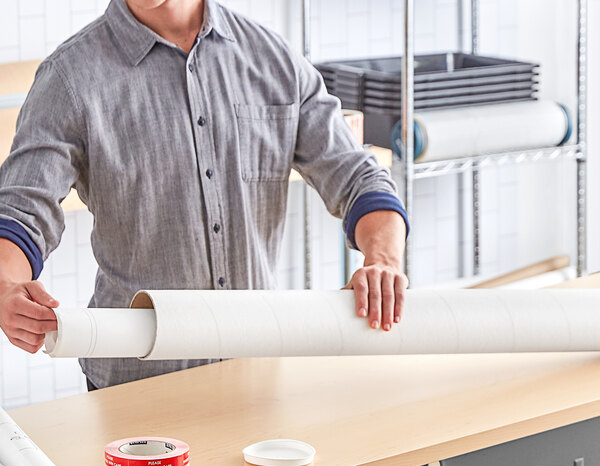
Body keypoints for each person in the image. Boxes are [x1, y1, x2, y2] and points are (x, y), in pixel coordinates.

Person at [0, 0, 409, 390]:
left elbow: (358, 177)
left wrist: (384, 262)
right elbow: (22, 210)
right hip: (134, 383)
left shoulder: (273, 60)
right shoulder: (70, 77)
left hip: (258, 370)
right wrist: (7, 286)